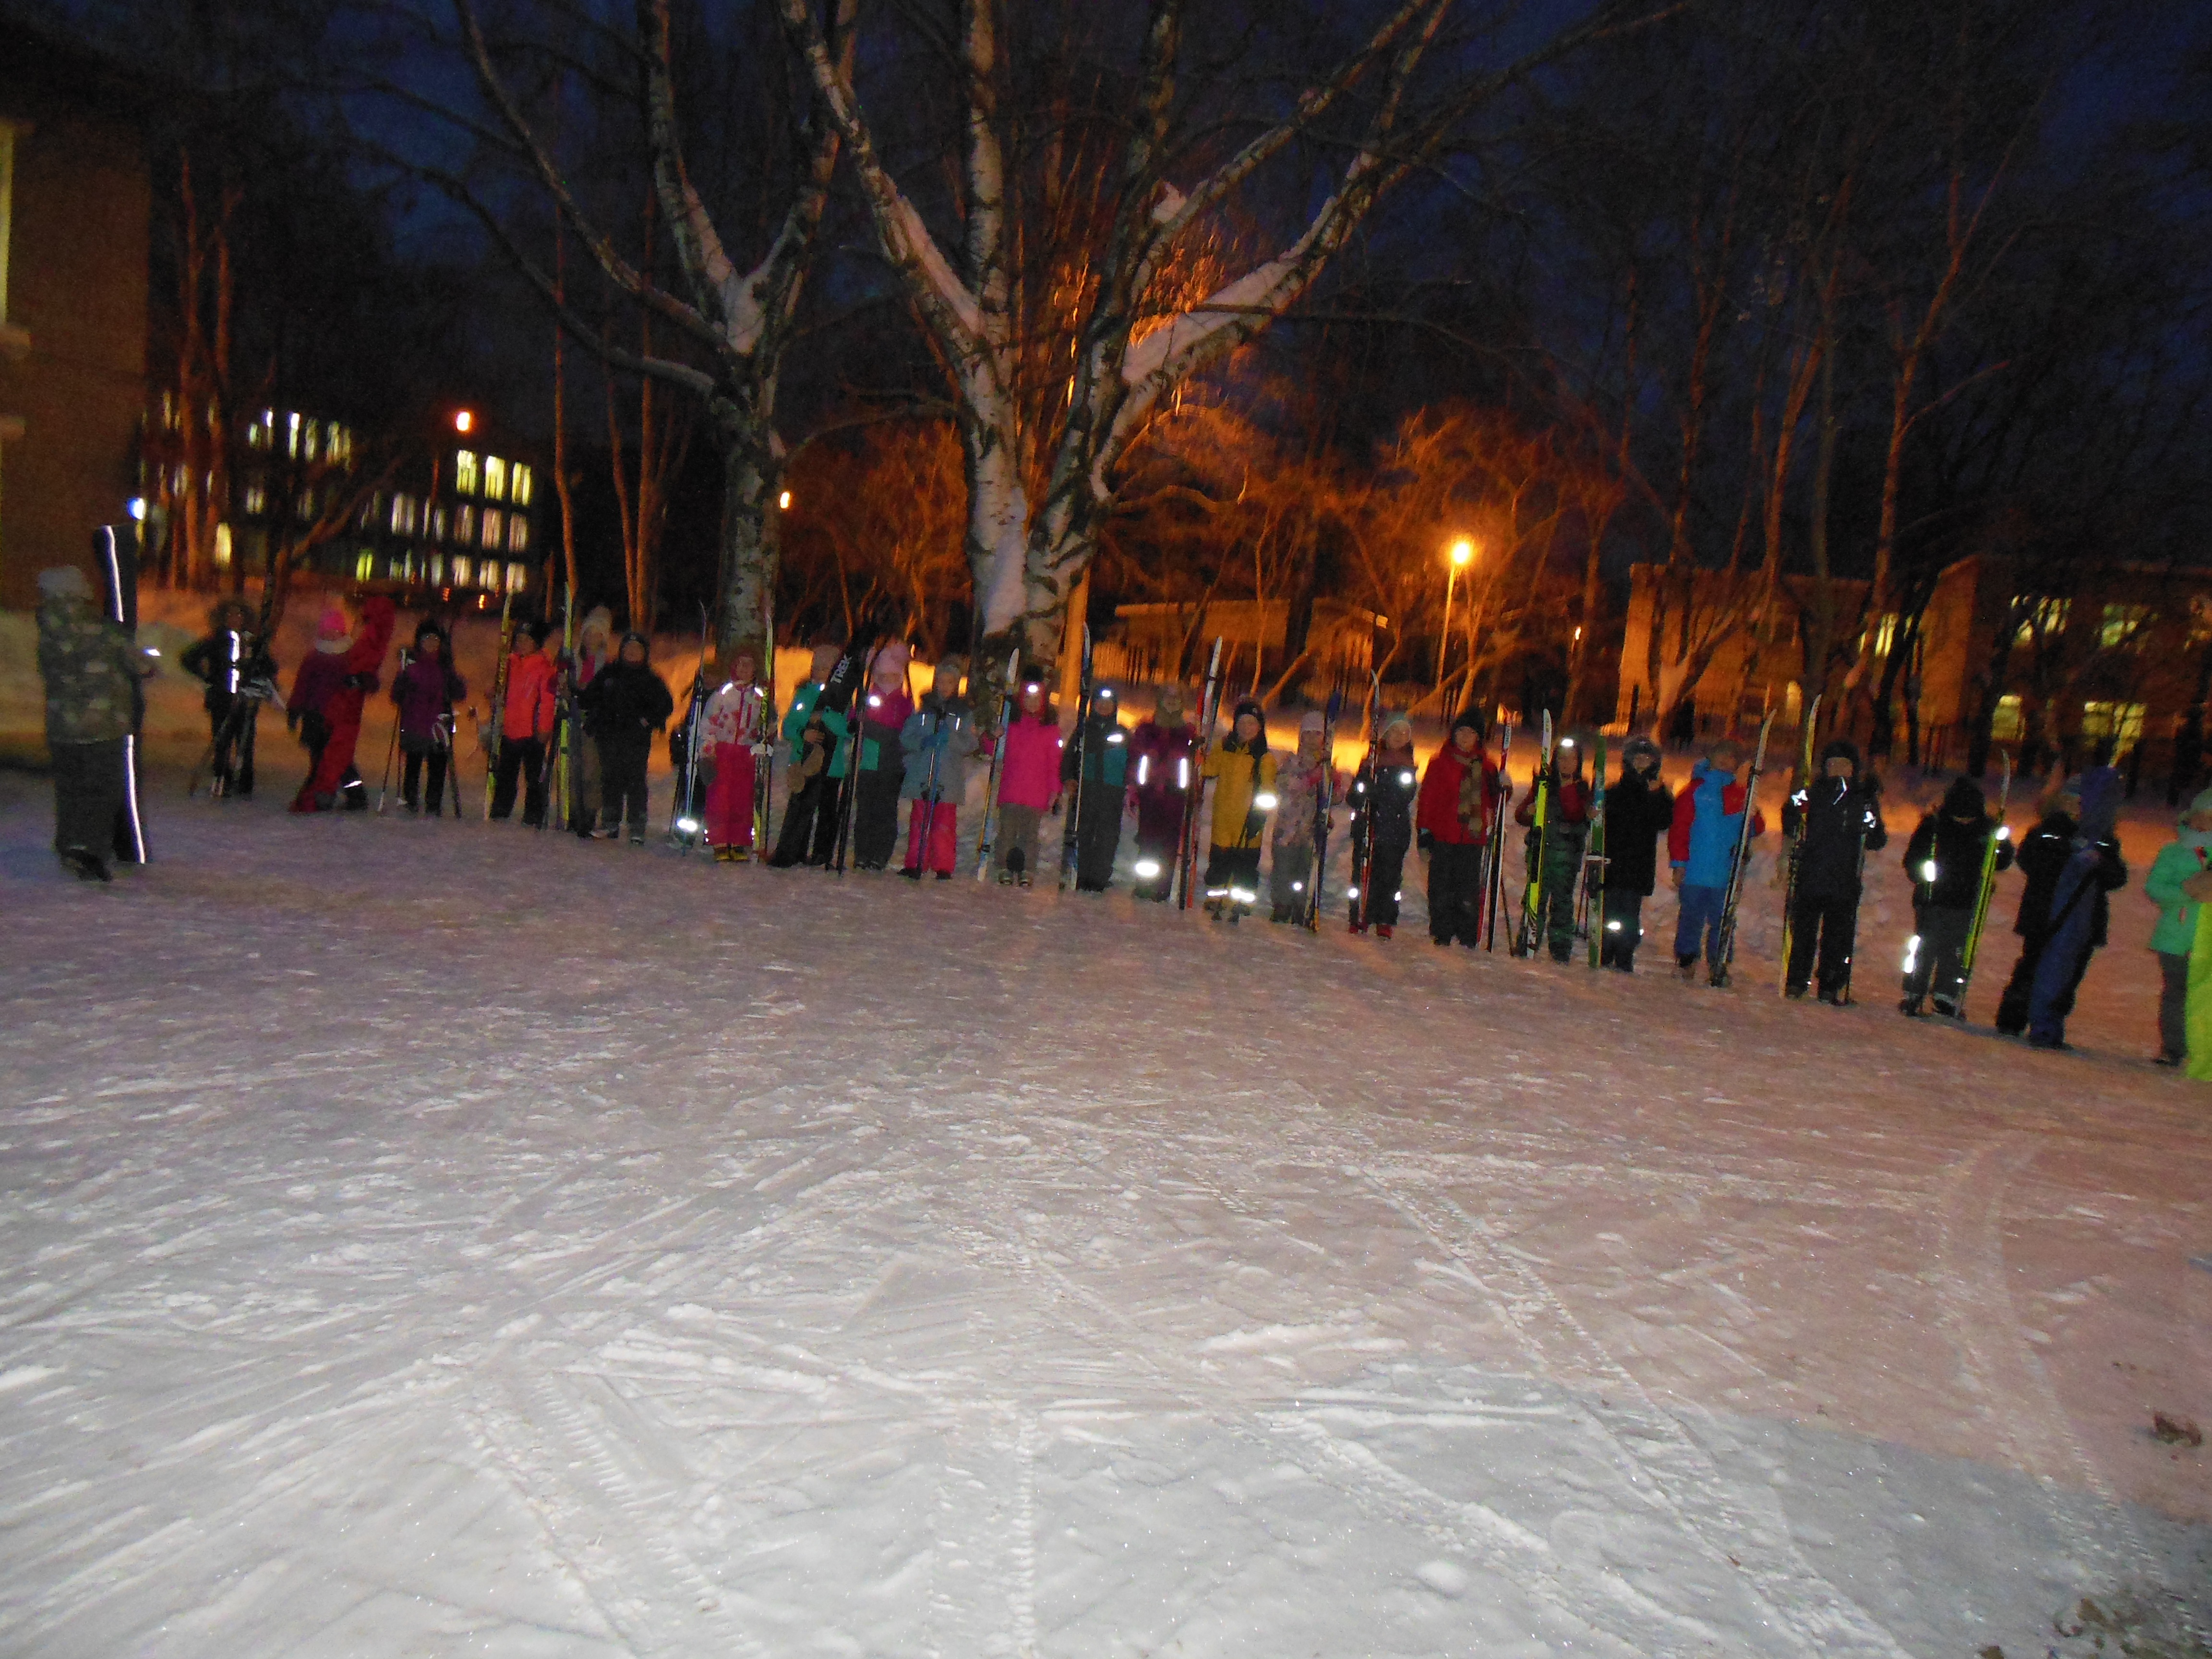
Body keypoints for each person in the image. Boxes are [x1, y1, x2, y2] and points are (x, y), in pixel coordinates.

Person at [35, 565, 151, 882]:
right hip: (102, 723)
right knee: (103, 790)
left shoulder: (48, 630)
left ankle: (68, 842)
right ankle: (88, 851)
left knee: (71, 788)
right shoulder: (102, 629)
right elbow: (140, 663)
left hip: (62, 725)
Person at [1993, 776, 2127, 1043]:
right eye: (2072, 801)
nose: (2078, 808)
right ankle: (2014, 1017)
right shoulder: (2047, 830)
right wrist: (2067, 857)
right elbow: (2030, 861)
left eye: (2083, 803)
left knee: (2070, 975)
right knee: (2032, 966)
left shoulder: (2103, 839)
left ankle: (2050, 1024)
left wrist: (2097, 862)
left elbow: (2117, 877)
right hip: (2045, 915)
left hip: (2083, 922)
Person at [1779, 738, 1887, 1002]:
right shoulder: (1814, 793)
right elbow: (1791, 817)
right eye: (1833, 764)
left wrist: (1870, 815)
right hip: (1812, 874)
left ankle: (1831, 981)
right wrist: (1794, 808)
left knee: (1838, 936)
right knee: (1804, 932)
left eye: (1845, 765)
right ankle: (1797, 980)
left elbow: (1876, 839)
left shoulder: (1861, 798)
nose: (1838, 770)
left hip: (1844, 878)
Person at [1899, 776, 2012, 1018]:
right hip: (1933, 900)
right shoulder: (1934, 826)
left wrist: (2002, 845)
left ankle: (1947, 994)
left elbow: (2001, 862)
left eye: (1969, 818)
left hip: (1967, 902)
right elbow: (1913, 859)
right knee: (1925, 947)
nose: (1964, 822)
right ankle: (1914, 990)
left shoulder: (1986, 830)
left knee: (1957, 950)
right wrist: (1923, 875)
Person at [1668, 736, 1765, 982]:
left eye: (1731, 757)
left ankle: (1718, 962)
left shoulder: (1740, 795)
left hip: (1725, 873)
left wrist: (1754, 816)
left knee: (1723, 921)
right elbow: (1680, 830)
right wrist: (1679, 864)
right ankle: (1687, 959)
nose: (1725, 760)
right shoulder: (1694, 792)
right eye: (1721, 754)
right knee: (1691, 917)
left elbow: (1753, 829)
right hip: (1695, 870)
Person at [289, 597, 396, 814]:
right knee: (320, 759)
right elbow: (302, 686)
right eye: (328, 631)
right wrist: (295, 710)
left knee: (340, 760)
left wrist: (362, 682)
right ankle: (320, 793)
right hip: (314, 716)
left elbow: (369, 678)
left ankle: (351, 795)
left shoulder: (349, 656)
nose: (332, 635)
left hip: (338, 718)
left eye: (336, 631)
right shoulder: (314, 658)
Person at [577, 631, 675, 843]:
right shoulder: (609, 674)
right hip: (609, 735)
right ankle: (611, 822)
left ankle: (636, 825)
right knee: (610, 779)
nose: (632, 653)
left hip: (636, 738)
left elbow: (666, 704)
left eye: (637, 650)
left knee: (635, 780)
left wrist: (649, 720)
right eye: (628, 649)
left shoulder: (650, 679)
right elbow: (589, 697)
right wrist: (573, 692)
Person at [2141, 786, 2212, 1069]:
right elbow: (2156, 887)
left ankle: (2200, 1047)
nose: (2205, 823)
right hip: (2176, 938)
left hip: (2207, 939)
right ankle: (2174, 1047)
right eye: (2203, 816)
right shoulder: (2173, 852)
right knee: (2178, 992)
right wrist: (2187, 892)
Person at [179, 597, 275, 799]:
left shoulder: (252, 641)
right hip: (221, 700)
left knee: (245, 743)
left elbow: (270, 667)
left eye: (239, 615)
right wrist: (208, 678)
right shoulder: (216, 639)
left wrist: (255, 676)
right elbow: (189, 658)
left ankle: (244, 784)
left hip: (245, 701)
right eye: (230, 615)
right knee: (222, 742)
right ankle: (222, 780)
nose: (235, 619)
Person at [1415, 710, 1496, 948]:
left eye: (1471, 733)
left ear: (1478, 738)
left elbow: (1493, 801)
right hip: (1444, 834)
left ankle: (1467, 929)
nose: (1465, 737)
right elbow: (1428, 799)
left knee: (1467, 886)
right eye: (1461, 731)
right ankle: (1442, 928)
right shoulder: (1440, 763)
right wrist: (1425, 830)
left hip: (1471, 837)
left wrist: (1502, 788)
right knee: (1441, 885)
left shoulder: (1487, 767)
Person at [770, 643, 851, 868]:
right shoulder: (803, 694)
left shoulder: (841, 699)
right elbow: (788, 727)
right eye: (816, 667)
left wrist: (825, 716)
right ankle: (795, 849)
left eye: (824, 669)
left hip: (832, 765)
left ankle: (822, 853)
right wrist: (802, 733)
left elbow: (846, 728)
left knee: (827, 811)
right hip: (803, 762)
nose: (818, 672)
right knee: (800, 807)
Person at [1515, 733, 1594, 962]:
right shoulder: (1543, 785)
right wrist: (1529, 812)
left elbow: (1578, 818)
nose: (1566, 763)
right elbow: (1522, 814)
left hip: (1566, 858)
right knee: (1534, 901)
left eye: (1571, 759)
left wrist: (1585, 812)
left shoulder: (1581, 790)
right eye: (1562, 758)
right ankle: (1527, 942)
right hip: (1540, 854)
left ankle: (1560, 949)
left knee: (1562, 904)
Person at [900, 659, 981, 879]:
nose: (944, 687)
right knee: (919, 822)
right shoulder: (924, 710)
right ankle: (916, 862)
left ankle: (943, 865)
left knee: (944, 825)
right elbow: (907, 737)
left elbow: (971, 743)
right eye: (941, 682)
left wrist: (951, 739)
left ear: (956, 686)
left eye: (949, 683)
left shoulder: (963, 714)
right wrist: (923, 742)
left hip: (948, 778)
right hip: (923, 775)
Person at [1599, 733, 1672, 971]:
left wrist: (1657, 795)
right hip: (1614, 862)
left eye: (1647, 758)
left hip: (1638, 865)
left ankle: (1625, 953)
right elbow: (1604, 821)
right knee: (1611, 911)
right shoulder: (1616, 791)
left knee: (1630, 912)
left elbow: (1663, 821)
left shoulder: (1658, 793)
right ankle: (1607, 949)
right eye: (1637, 758)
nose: (1641, 762)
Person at [1200, 698, 1277, 919]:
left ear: (1260, 728)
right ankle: (1216, 896)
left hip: (1249, 819)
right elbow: (1209, 769)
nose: (1246, 728)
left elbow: (1269, 790)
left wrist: (1260, 815)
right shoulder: (1225, 748)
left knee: (1245, 863)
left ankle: (1243, 900)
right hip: (1224, 817)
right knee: (1221, 859)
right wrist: (1199, 755)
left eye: (1252, 724)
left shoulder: (1264, 757)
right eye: (1242, 723)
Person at [1347, 715, 1419, 938]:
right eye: (1394, 731)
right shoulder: (1370, 764)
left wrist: (1376, 792)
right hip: (1368, 828)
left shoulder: (1407, 768)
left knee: (1389, 877)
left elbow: (1401, 797)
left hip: (1393, 830)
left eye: (1404, 733)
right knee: (1362, 873)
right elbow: (1355, 797)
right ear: (1385, 735)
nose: (1399, 737)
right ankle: (1359, 915)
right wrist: (1363, 784)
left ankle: (1385, 918)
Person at [699, 645, 770, 862]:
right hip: (723, 750)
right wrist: (708, 749)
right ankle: (720, 840)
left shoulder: (760, 696)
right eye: (740, 664)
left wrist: (766, 741)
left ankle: (739, 841)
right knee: (721, 797)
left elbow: (769, 724)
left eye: (749, 665)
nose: (745, 669)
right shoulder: (723, 694)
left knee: (743, 797)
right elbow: (708, 723)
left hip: (747, 753)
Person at [1128, 685, 1199, 901]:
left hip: (1175, 797)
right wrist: (1135, 788)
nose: (1171, 702)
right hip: (1150, 793)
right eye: (1168, 698)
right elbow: (1135, 760)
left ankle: (1162, 887)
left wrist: (1192, 792)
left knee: (1169, 845)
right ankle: (1144, 884)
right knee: (1148, 842)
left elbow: (1195, 767)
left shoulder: (1187, 734)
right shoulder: (1147, 730)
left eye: (1176, 699)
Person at [389, 621, 468, 816]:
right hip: (415, 723)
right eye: (427, 639)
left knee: (438, 768)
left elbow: (459, 693)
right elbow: (396, 695)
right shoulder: (412, 665)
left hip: (439, 726)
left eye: (435, 639)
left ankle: (433, 804)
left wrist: (456, 683)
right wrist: (402, 683)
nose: (431, 643)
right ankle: (410, 802)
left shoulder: (445, 666)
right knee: (413, 766)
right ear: (419, 642)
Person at [993, 675, 1063, 888]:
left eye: (1037, 699)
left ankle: (1028, 869)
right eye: (1028, 699)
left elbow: (1055, 763)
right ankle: (1004, 866)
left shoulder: (1050, 731)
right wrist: (992, 735)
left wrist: (1055, 790)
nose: (1032, 704)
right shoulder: (1011, 726)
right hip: (1012, 790)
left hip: (1036, 794)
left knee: (1029, 835)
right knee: (1007, 832)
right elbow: (996, 750)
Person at [849, 643, 914, 870]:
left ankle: (880, 854)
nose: (887, 681)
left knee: (886, 810)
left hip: (892, 764)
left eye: (892, 677)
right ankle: (862, 852)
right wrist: (857, 721)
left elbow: (908, 730)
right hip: (869, 761)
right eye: (882, 676)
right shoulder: (868, 697)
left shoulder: (903, 703)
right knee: (866, 809)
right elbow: (855, 722)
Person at [1267, 709, 1335, 923]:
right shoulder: (1291, 761)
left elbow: (1332, 798)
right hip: (1288, 828)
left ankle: (1300, 907)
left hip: (1309, 831)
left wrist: (1335, 786)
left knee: (1303, 872)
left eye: (1317, 734)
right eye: (1308, 734)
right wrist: (1309, 779)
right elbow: (1286, 784)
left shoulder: (1326, 767)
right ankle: (1282, 905)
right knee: (1283, 870)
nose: (1313, 739)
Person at [1063, 684, 1132, 892]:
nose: (1103, 707)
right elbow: (1070, 756)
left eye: (1108, 703)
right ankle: (1080, 873)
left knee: (1107, 836)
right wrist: (1069, 778)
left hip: (1112, 792)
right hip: (1087, 789)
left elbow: (1131, 761)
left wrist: (1129, 786)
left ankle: (1100, 876)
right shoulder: (1083, 730)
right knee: (1082, 832)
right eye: (1100, 703)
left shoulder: (1123, 733)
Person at [490, 620, 559, 825]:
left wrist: (545, 728)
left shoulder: (544, 668)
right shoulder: (509, 663)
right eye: (519, 640)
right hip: (511, 729)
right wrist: (496, 698)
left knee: (534, 776)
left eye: (527, 640)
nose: (522, 644)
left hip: (532, 731)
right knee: (506, 774)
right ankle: (501, 808)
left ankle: (534, 813)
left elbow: (547, 701)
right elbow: (501, 690)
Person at [567, 607, 615, 836]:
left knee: (591, 769)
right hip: (573, 716)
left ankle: (589, 812)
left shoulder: (606, 665)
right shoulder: (573, 660)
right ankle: (574, 810)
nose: (592, 639)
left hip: (594, 721)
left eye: (597, 635)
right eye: (588, 633)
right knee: (573, 766)